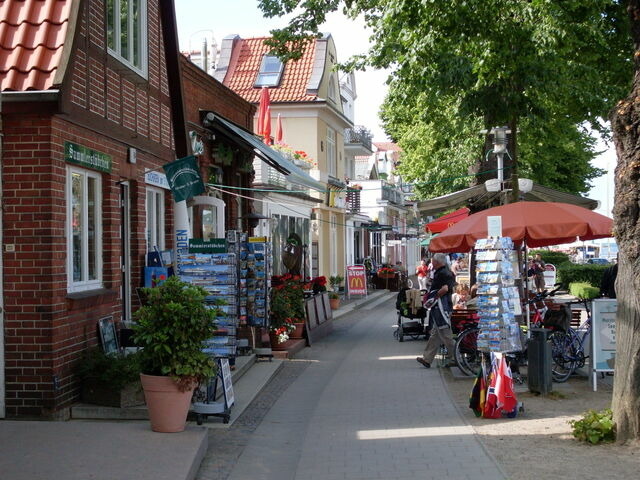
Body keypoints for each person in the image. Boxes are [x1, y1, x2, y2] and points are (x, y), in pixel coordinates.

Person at [416, 253, 457, 368]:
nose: (431, 263)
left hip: (441, 307)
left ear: (438, 262)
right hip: (440, 306)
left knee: (445, 334)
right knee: (435, 334)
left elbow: (445, 289)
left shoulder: (443, 273)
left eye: (433, 261)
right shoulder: (444, 272)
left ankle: (456, 356)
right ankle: (427, 359)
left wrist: (436, 294)